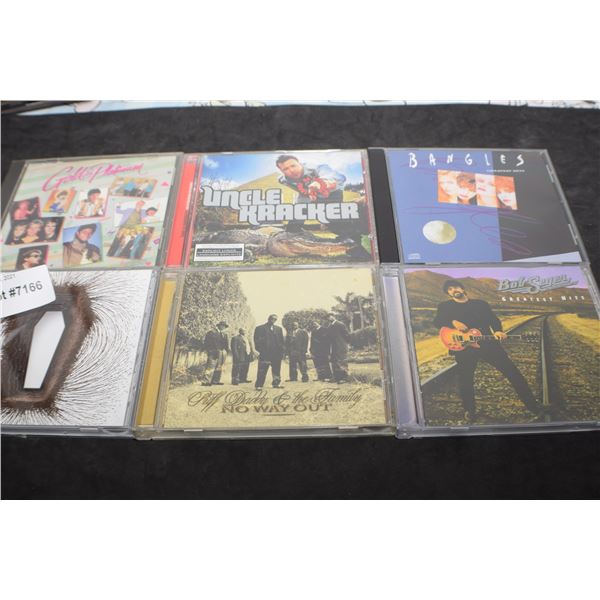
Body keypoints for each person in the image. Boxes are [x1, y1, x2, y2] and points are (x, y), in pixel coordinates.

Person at [433, 278, 545, 423]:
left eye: (456, 287)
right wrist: (452, 322)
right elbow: (437, 321)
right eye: (450, 289)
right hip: (464, 348)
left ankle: (534, 407)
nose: (454, 290)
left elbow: (493, 320)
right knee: (465, 380)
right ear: (448, 293)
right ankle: (469, 411)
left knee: (512, 372)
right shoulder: (445, 307)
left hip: (488, 344)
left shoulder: (480, 304)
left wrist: (498, 330)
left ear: (463, 289)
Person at [276, 154, 346, 203]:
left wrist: (320, 183)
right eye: (286, 169)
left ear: (299, 163)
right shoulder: (283, 180)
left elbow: (339, 177)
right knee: (297, 211)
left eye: (293, 166)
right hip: (307, 196)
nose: (291, 170)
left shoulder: (316, 168)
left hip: (332, 194)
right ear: (282, 171)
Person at [253, 314, 285, 389]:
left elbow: (281, 341)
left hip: (276, 353)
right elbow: (256, 340)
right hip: (265, 353)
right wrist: (259, 351)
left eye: (275, 319)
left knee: (276, 369)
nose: (273, 320)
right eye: (272, 318)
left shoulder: (279, 329)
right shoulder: (259, 328)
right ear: (268, 318)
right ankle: (259, 385)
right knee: (262, 370)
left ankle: (276, 383)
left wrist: (282, 351)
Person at [201, 321, 229, 386]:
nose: (223, 327)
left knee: (219, 367)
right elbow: (206, 343)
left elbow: (226, 345)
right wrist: (209, 351)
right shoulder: (211, 333)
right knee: (210, 366)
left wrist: (225, 351)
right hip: (213, 352)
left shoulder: (224, 334)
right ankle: (205, 381)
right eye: (222, 325)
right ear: (218, 326)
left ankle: (215, 381)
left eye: (224, 326)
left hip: (222, 352)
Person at [327, 313, 351, 383]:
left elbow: (347, 335)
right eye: (327, 317)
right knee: (334, 362)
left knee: (342, 361)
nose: (329, 318)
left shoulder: (340, 324)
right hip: (333, 347)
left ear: (334, 316)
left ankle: (344, 378)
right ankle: (336, 377)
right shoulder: (329, 326)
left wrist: (346, 344)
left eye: (330, 316)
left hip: (341, 346)